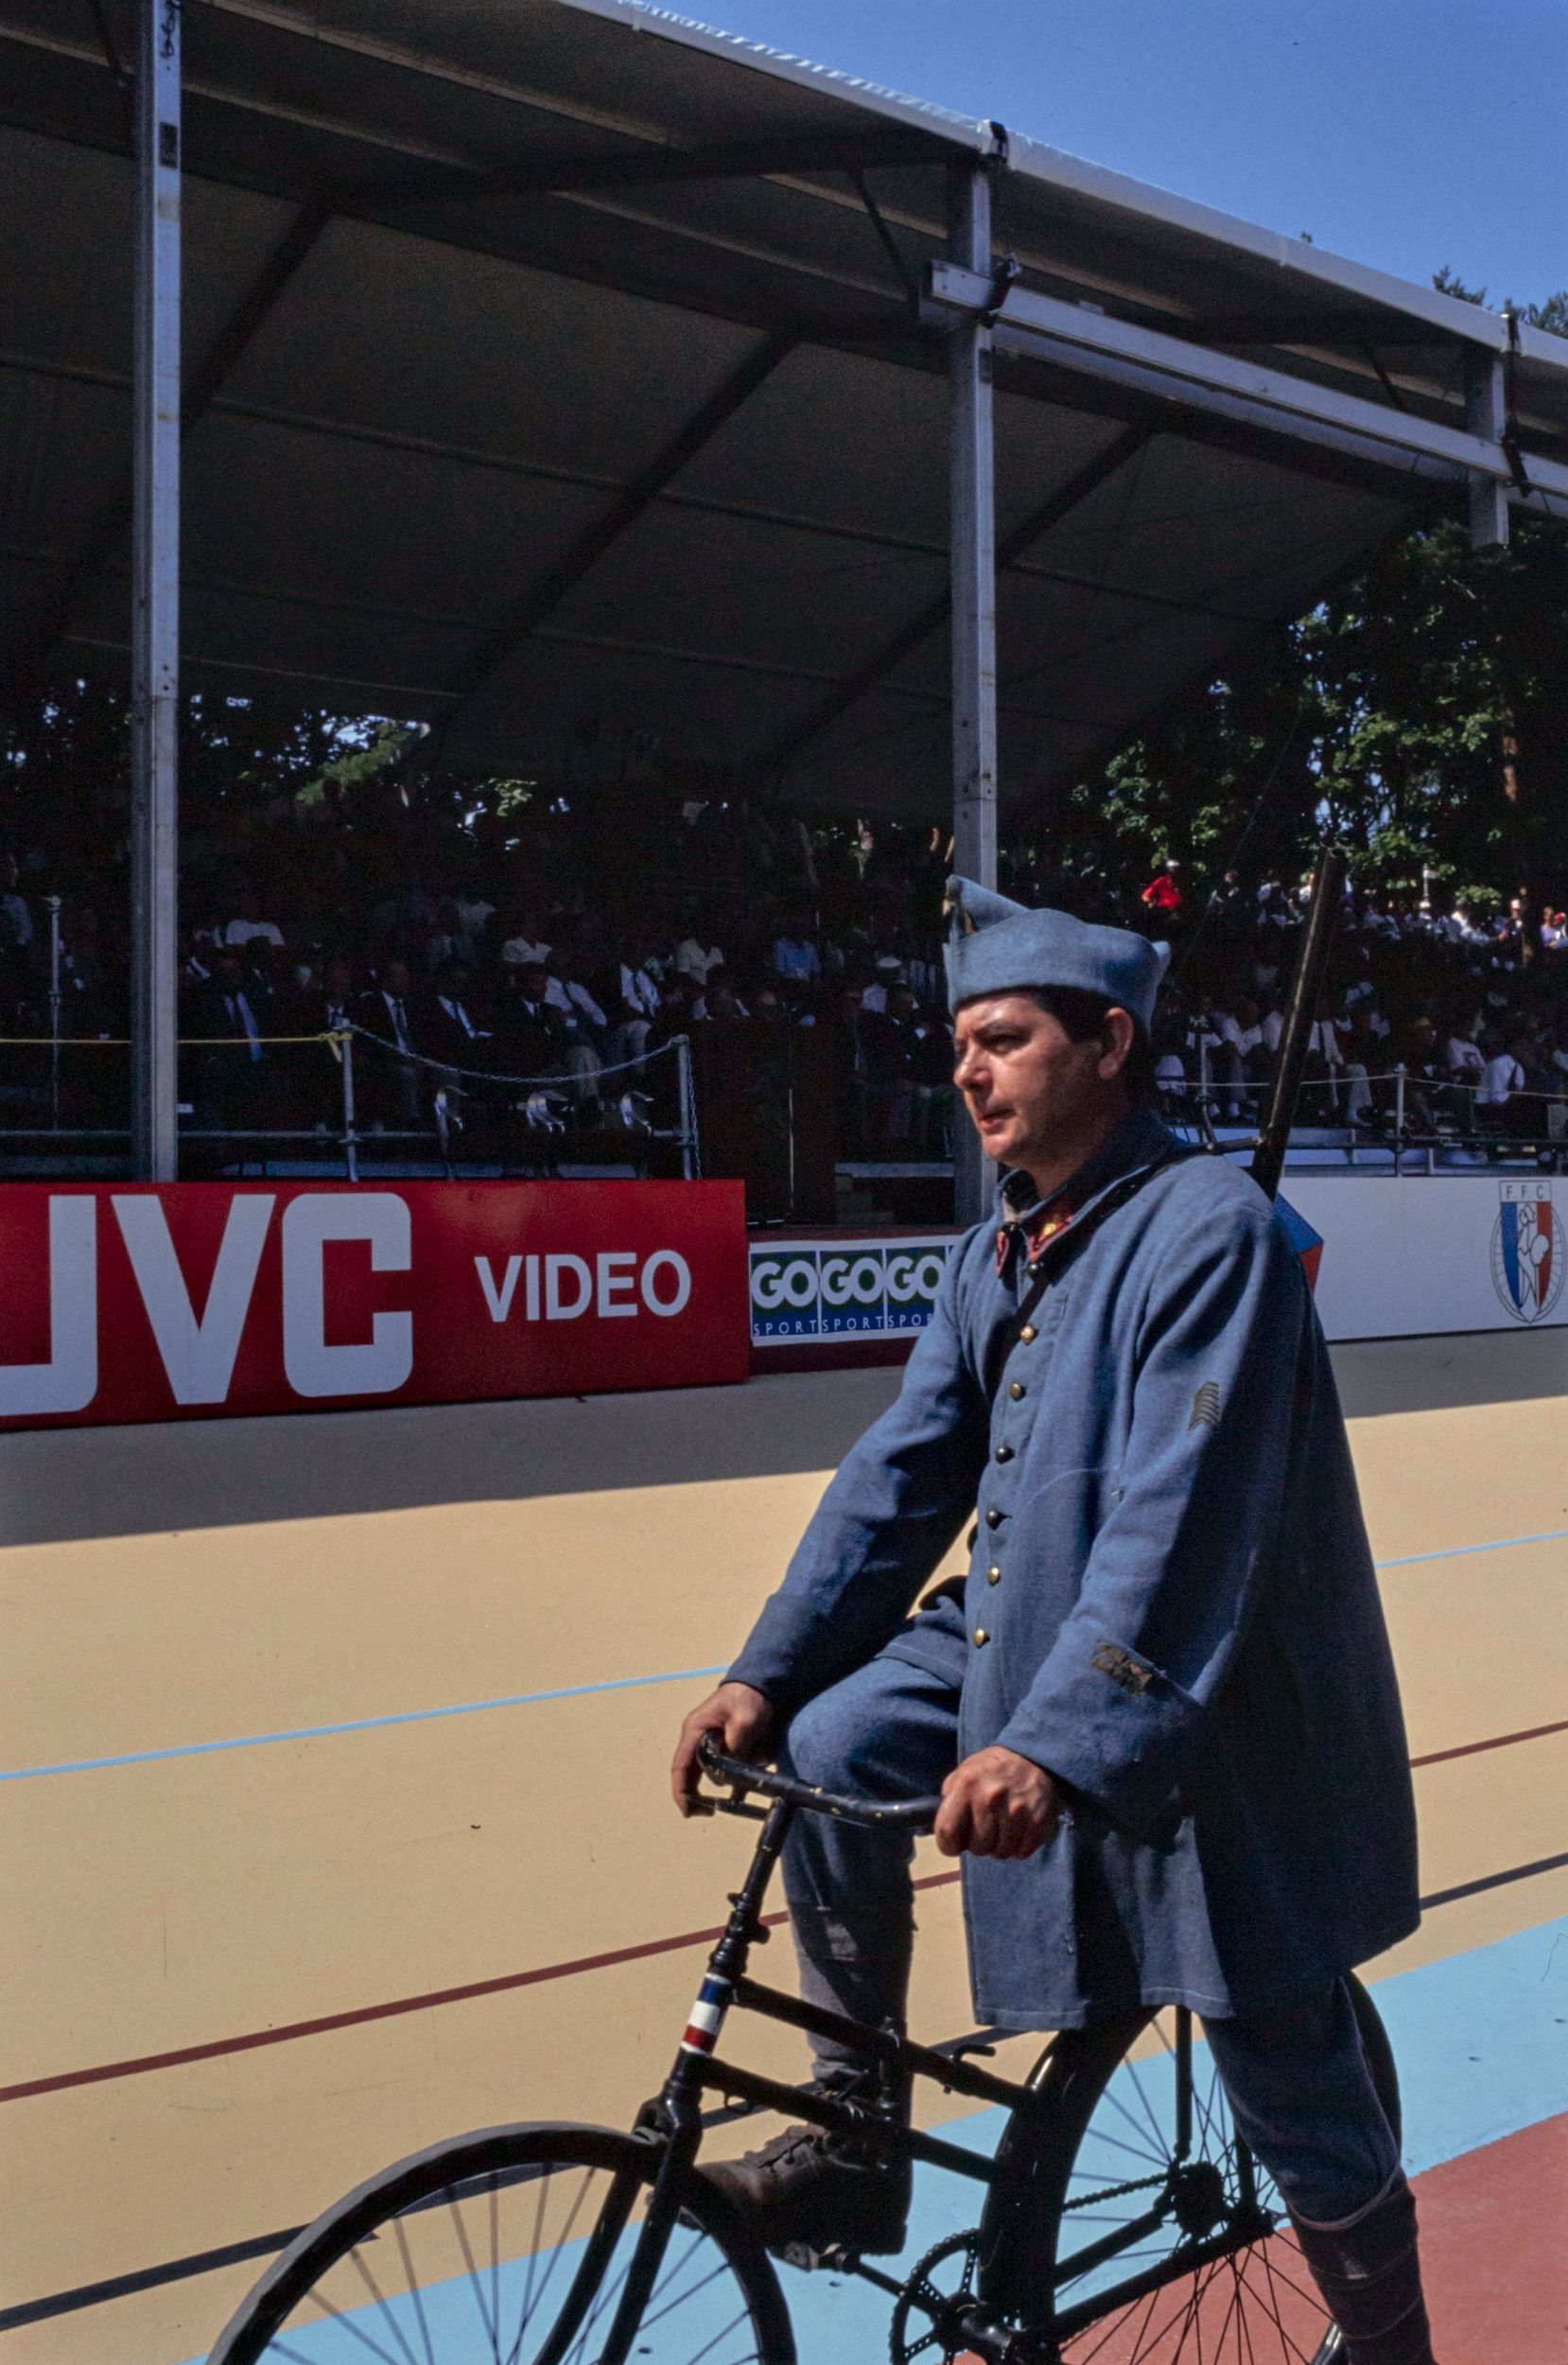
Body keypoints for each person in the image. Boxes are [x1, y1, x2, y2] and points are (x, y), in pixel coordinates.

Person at [671, 879, 1435, 2365]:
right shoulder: (995, 1252)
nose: (967, 1071)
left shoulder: (1211, 1230)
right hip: (1026, 1644)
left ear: (1107, 1043)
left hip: (1207, 1687)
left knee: (1275, 2049)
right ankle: (850, 2138)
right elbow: (899, 1479)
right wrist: (764, 1669)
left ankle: (1393, 2344)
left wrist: (1056, 1743)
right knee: (830, 1745)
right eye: (957, 1043)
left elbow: (1183, 1519)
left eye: (1003, 1039)